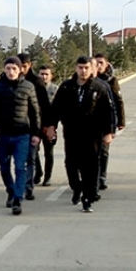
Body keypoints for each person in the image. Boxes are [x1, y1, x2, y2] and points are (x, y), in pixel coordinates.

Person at [44, 56, 116, 213]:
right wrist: (51, 126)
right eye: (80, 68)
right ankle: (77, 187)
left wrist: (109, 132)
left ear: (92, 69)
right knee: (71, 163)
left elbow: (107, 112)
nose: (83, 71)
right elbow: (56, 109)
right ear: (76, 68)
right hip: (72, 132)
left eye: (86, 68)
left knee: (91, 166)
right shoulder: (66, 87)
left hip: (93, 133)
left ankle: (88, 198)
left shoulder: (100, 87)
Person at [0, 57, 41, 215]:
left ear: (20, 70)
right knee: (3, 167)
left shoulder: (28, 87)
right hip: (3, 135)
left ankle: (18, 198)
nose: (11, 72)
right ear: (4, 69)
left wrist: (36, 133)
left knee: (20, 167)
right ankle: (11, 189)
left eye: (14, 69)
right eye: (8, 68)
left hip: (22, 134)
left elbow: (35, 112)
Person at [17, 52, 52, 202]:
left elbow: (44, 104)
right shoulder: (11, 80)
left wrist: (47, 125)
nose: (21, 69)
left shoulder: (37, 81)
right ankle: (35, 175)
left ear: (29, 65)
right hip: (19, 125)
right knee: (29, 156)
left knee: (33, 154)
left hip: (36, 124)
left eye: (24, 66)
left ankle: (30, 185)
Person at [94, 53, 125, 191]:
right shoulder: (89, 79)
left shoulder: (112, 80)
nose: (99, 65)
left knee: (104, 151)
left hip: (106, 121)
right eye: (96, 63)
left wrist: (121, 121)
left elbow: (118, 102)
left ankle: (101, 177)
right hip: (90, 122)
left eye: (101, 62)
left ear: (106, 64)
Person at [33, 64, 59, 186]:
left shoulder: (55, 89)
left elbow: (58, 110)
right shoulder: (34, 88)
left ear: (51, 76)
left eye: (46, 74)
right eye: (41, 74)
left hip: (50, 126)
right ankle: (38, 172)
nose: (44, 77)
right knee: (33, 151)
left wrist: (53, 126)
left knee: (49, 152)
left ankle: (47, 177)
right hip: (37, 125)